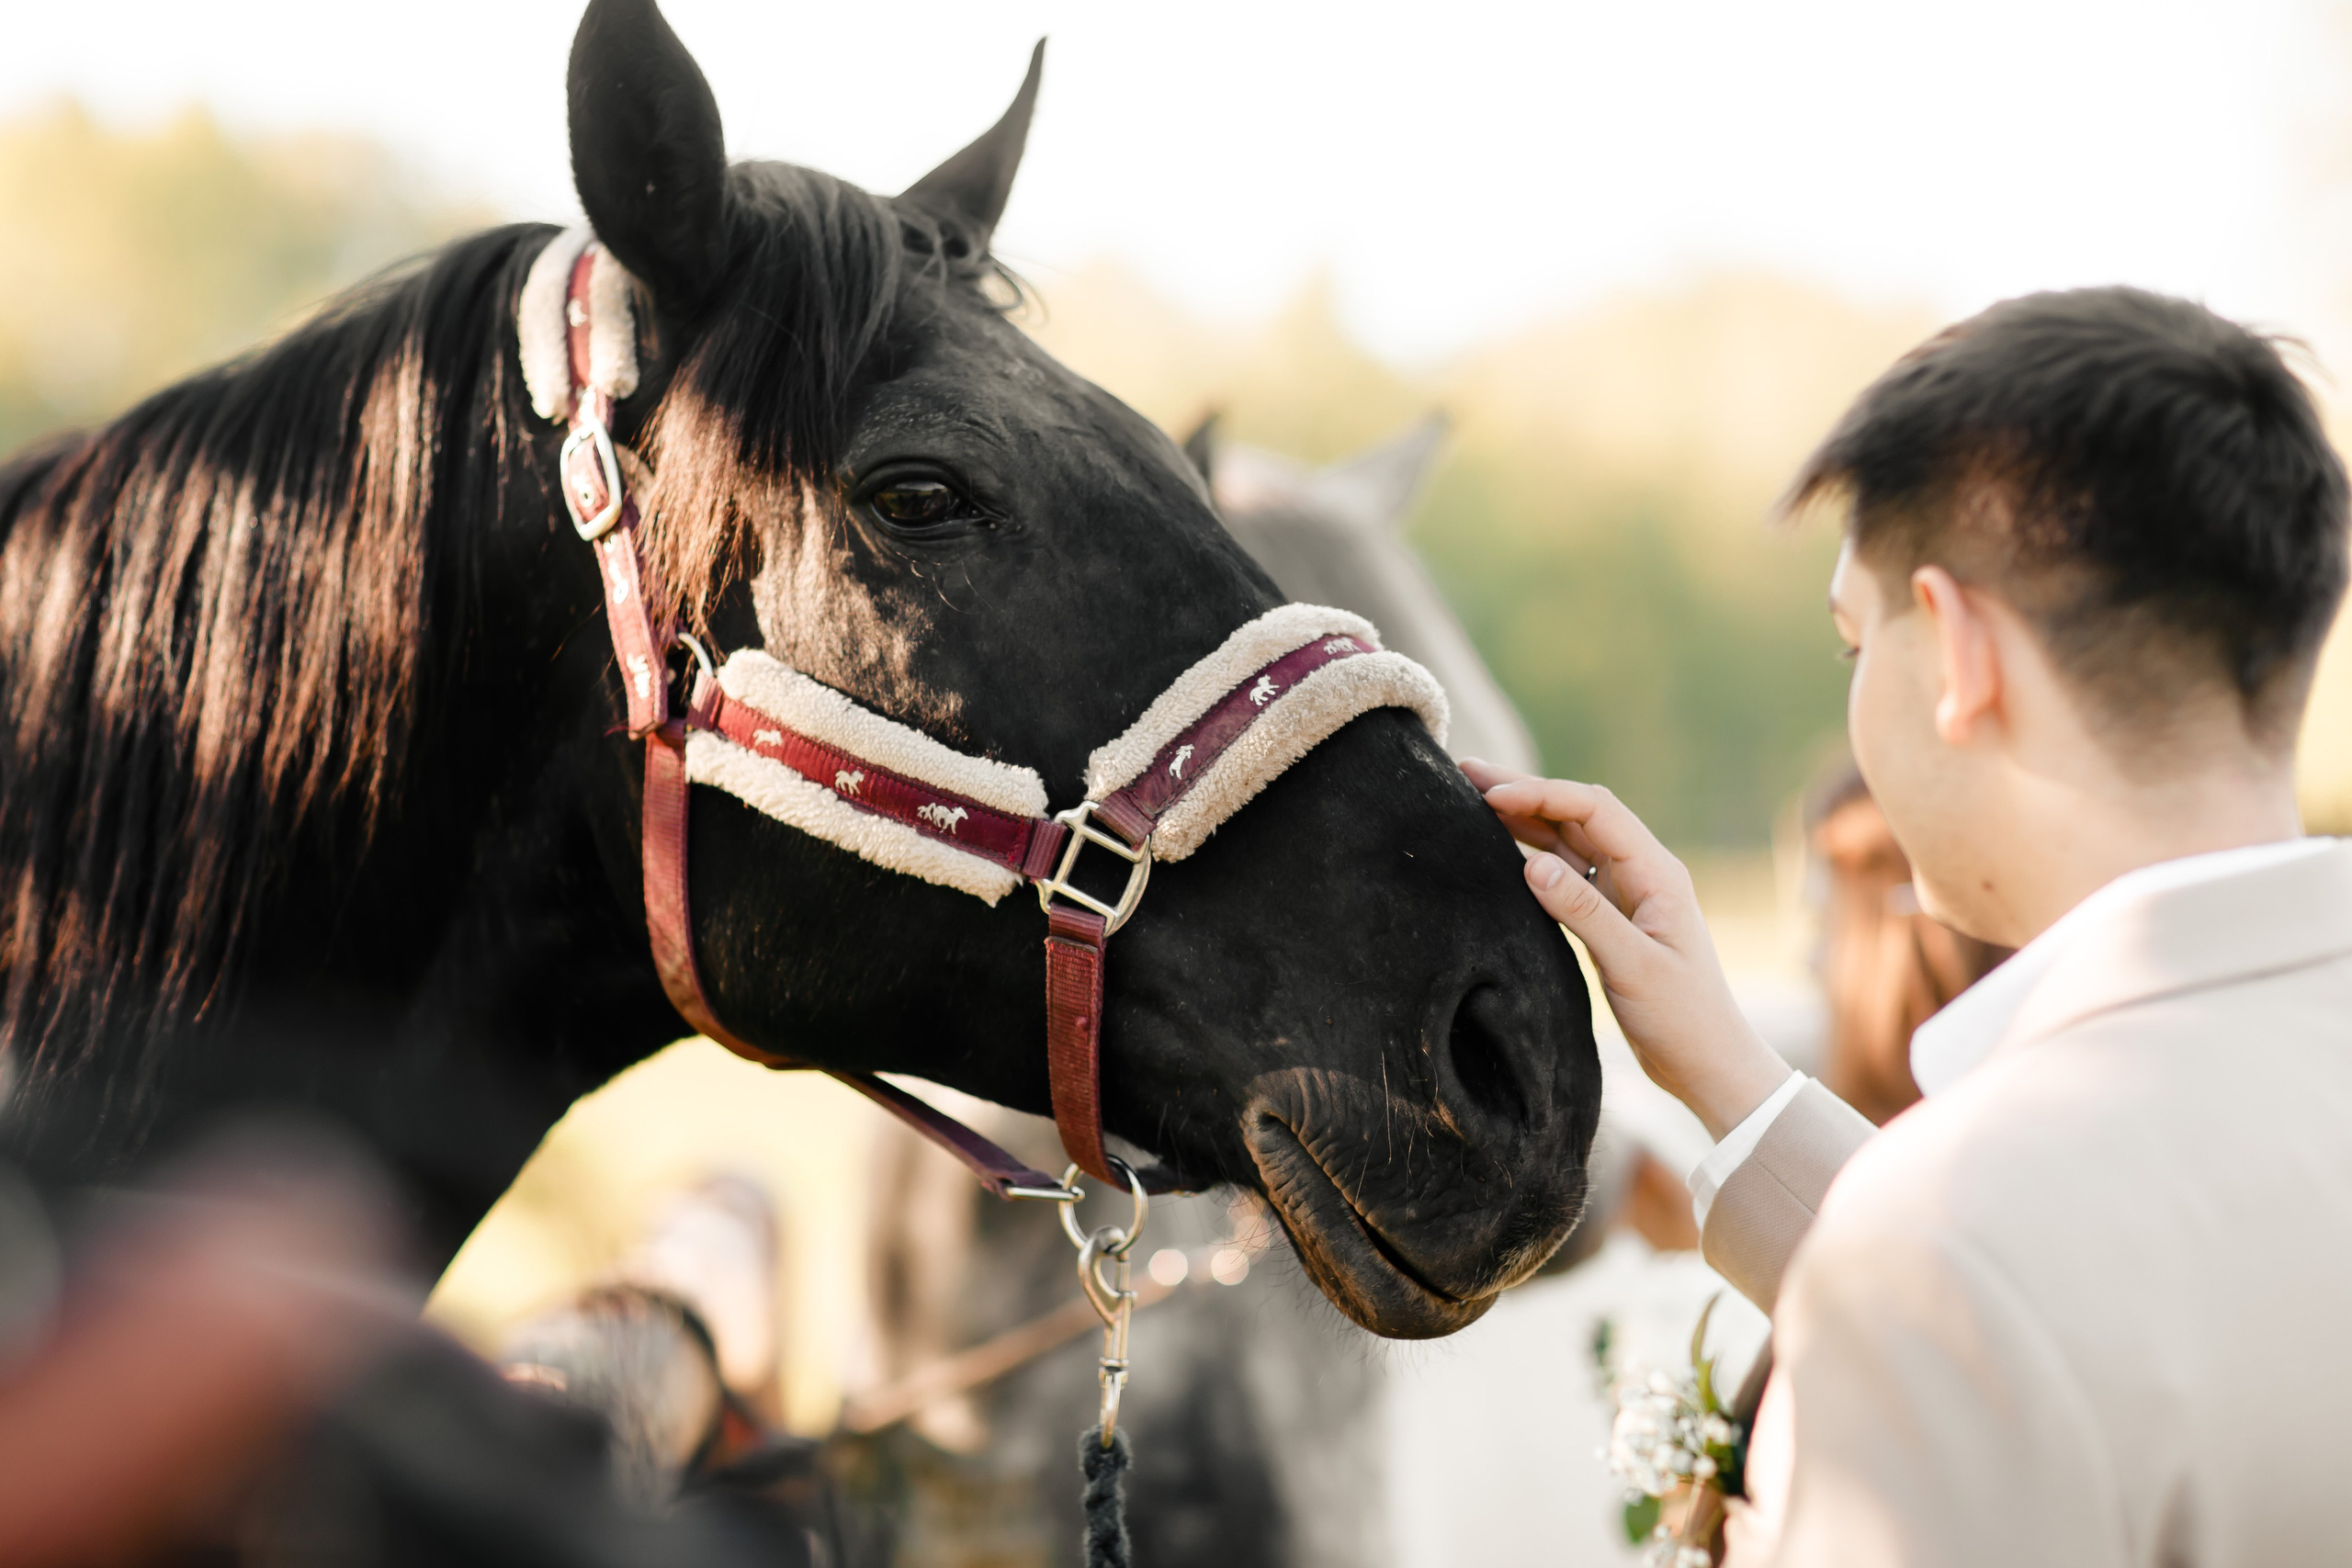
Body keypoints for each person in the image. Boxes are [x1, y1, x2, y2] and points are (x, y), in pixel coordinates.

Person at [1464, 286, 2352, 1564]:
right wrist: (1733, 1080)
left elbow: (1995, 1293)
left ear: (1956, 650)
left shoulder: (1950, 1253)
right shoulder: (1996, 1229)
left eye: (1851, 641)